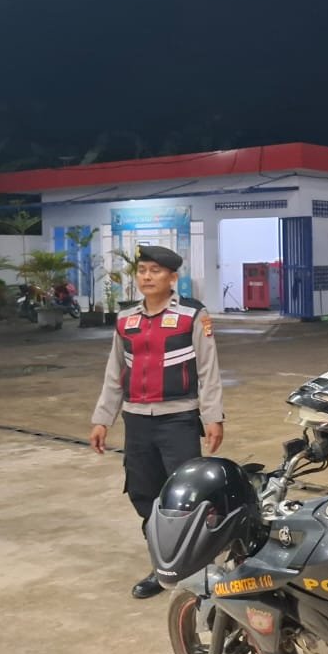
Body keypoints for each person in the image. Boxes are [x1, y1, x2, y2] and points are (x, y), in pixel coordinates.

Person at [89, 244, 225, 599]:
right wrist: (103, 418)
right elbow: (115, 373)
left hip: (178, 419)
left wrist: (213, 416)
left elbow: (208, 370)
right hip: (136, 420)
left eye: (155, 271)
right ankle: (162, 564)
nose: (147, 277)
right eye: (142, 271)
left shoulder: (192, 315)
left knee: (186, 496)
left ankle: (197, 569)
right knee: (144, 494)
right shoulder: (125, 319)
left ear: (172, 277)